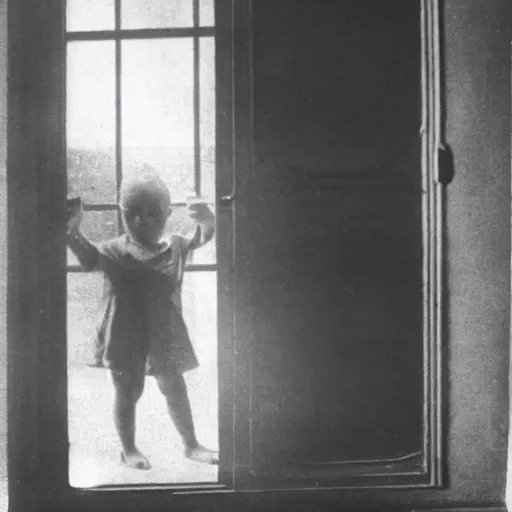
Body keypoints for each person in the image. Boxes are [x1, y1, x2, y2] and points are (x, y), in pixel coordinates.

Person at [66, 170, 218, 470]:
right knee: (128, 390)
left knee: (174, 387)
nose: (141, 221)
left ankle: (191, 444)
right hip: (123, 333)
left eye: (152, 213)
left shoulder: (174, 247)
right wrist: (71, 228)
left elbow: (201, 237)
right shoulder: (112, 250)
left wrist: (206, 220)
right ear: (123, 212)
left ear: (166, 213)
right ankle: (129, 448)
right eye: (132, 213)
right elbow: (85, 255)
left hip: (164, 332)